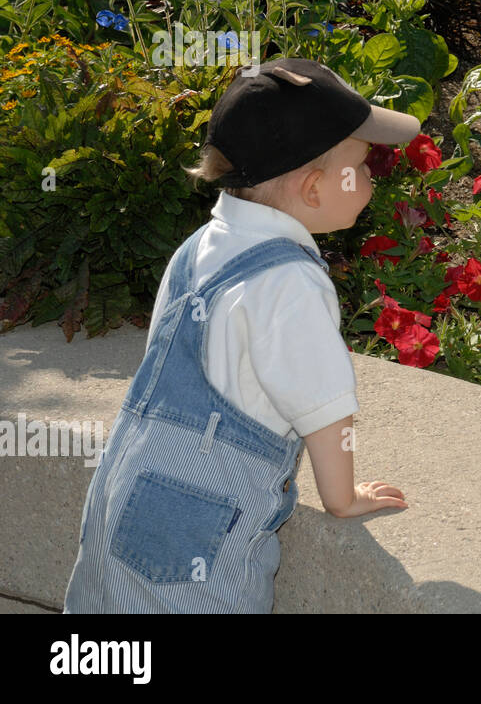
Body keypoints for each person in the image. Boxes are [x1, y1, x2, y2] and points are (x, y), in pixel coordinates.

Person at [65, 58, 413, 613]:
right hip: (201, 532)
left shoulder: (202, 248)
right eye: (363, 165)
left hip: (123, 496)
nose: (372, 176)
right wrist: (343, 499)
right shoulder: (291, 283)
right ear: (314, 189)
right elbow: (325, 412)